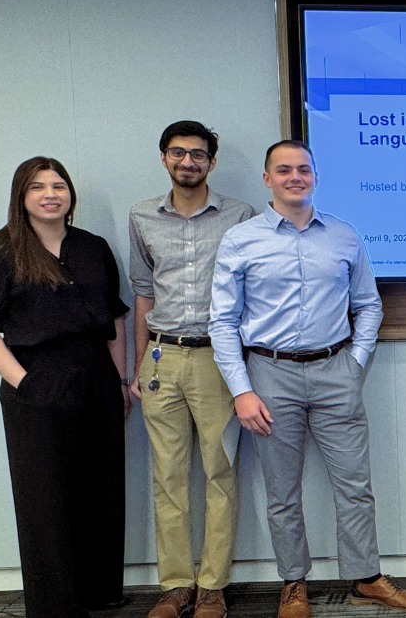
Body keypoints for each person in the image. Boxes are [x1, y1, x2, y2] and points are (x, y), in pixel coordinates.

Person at [209, 140, 406, 618]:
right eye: (284, 170)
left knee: (355, 484)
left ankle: (366, 577)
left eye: (304, 169)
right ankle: (293, 584)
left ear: (315, 176)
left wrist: (355, 362)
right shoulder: (241, 240)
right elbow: (222, 322)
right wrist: (242, 390)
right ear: (266, 178)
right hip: (268, 374)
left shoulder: (344, 236)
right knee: (282, 489)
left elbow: (368, 306)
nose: (295, 177)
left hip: (336, 372)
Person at [0, 156, 129, 618]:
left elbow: (115, 318)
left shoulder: (92, 248)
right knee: (45, 495)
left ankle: (99, 591)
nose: (50, 193)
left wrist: (119, 380)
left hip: (97, 375)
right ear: (21, 196)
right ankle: (56, 604)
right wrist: (25, 382)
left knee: (101, 485)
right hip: (37, 377)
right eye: (37, 187)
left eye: (59, 185)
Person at [129, 121, 254, 618]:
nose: (188, 162)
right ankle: (176, 585)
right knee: (167, 476)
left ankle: (212, 587)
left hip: (218, 359)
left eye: (198, 155)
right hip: (161, 357)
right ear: (164, 158)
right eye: (178, 153)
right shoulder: (141, 216)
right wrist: (135, 365)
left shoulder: (240, 216)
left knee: (220, 470)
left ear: (211, 162)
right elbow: (142, 292)